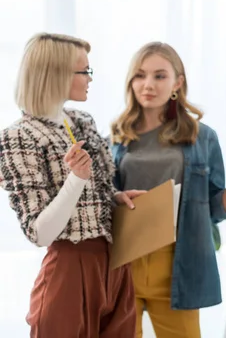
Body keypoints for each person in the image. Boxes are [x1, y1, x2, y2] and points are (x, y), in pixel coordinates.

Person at [110, 42, 226, 338]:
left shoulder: (202, 138)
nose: (148, 84)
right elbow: (105, 200)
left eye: (160, 76)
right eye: (140, 75)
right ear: (131, 81)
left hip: (178, 266)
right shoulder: (118, 136)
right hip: (123, 265)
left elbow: (214, 210)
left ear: (177, 83)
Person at [0, 33, 143, 337]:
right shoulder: (18, 137)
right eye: (85, 71)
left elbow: (95, 193)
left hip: (115, 262)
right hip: (70, 267)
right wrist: (75, 180)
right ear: (57, 74)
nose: (90, 78)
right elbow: (39, 233)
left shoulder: (82, 121)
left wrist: (114, 197)